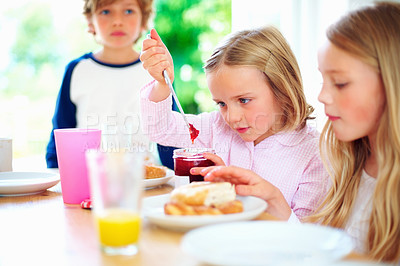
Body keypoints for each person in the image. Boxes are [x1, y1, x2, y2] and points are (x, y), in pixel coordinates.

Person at [202, 2, 400, 263]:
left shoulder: (317, 153)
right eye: (323, 81)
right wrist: (276, 204)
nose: (322, 96)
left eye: (340, 83)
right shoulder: (349, 161)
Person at [139, 26, 329, 220]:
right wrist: (163, 83)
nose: (231, 117)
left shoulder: (315, 154)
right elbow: (159, 129)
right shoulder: (217, 127)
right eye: (221, 103)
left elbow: (307, 235)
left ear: (281, 89)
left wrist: (272, 201)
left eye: (243, 100)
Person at [45, 0, 176, 169]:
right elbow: (60, 135)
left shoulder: (157, 70)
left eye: (128, 11)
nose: (117, 21)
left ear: (144, 20)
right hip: (88, 180)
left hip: (146, 182)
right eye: (106, 12)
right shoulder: (77, 70)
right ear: (90, 21)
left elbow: (171, 133)